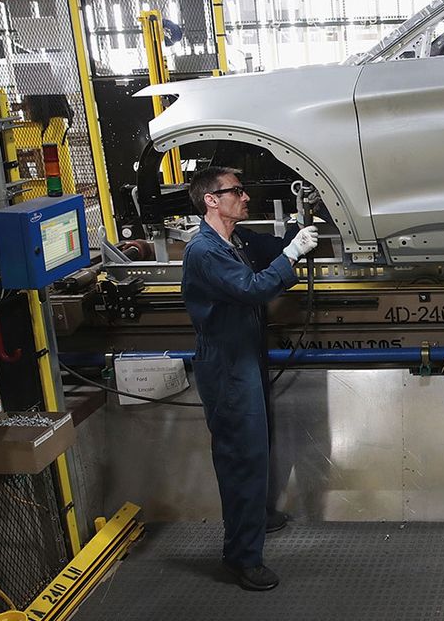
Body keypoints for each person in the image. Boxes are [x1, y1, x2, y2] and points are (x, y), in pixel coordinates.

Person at [182, 165, 318, 592]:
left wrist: (302, 221)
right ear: (211, 200)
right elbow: (253, 288)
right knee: (242, 456)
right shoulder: (205, 251)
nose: (245, 197)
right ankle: (242, 557)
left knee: (258, 443)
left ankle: (256, 516)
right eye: (236, 191)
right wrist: (292, 255)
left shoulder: (233, 239)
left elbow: (270, 248)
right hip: (227, 363)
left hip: (246, 354)